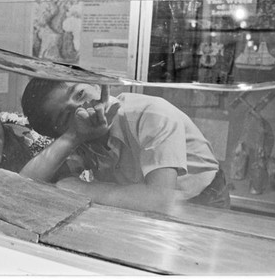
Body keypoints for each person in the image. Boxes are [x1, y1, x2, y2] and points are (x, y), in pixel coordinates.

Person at [20, 78, 230, 213]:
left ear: (95, 84)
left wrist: (82, 188)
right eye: (66, 116)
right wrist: (72, 137)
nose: (81, 109)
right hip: (138, 200)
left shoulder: (152, 114)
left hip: (203, 195)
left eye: (80, 94)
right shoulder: (81, 131)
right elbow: (22, 185)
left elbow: (160, 201)